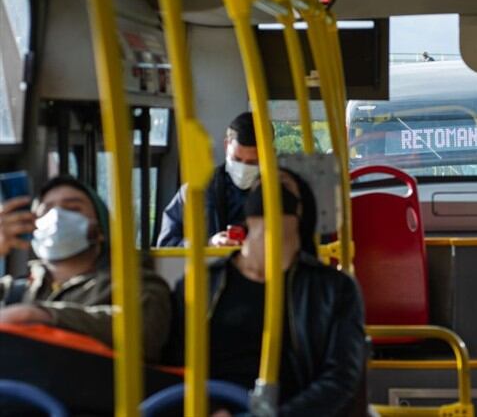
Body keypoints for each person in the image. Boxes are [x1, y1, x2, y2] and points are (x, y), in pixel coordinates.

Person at [165, 168, 366, 416]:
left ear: (302, 211)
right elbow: (173, 365)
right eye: (261, 187)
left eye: (283, 187)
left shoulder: (333, 290)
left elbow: (340, 379)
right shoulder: (200, 284)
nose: (271, 193)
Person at [0, 176, 171, 362]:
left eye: (73, 209)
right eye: (46, 210)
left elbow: (142, 331)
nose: (56, 217)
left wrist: (44, 315)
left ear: (99, 228)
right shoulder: (14, 289)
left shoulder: (134, 283)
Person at [157, 112, 260, 247]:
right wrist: (208, 245)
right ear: (226, 146)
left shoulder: (281, 195)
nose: (243, 169)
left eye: (252, 162)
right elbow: (166, 246)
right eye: (237, 159)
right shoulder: (195, 191)